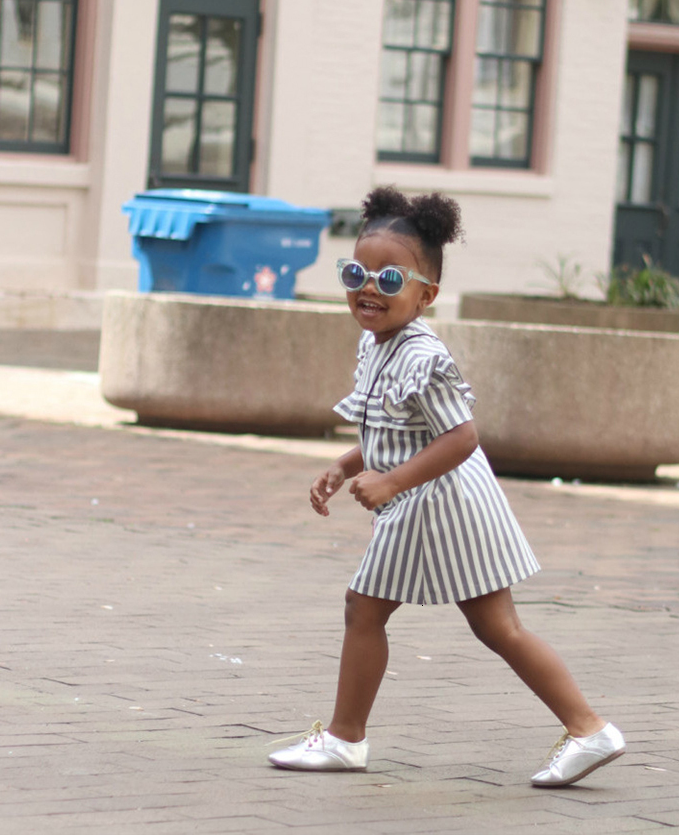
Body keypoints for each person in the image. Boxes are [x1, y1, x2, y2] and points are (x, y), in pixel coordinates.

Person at [268, 186, 625, 787]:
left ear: (426, 294)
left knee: (365, 608)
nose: (366, 289)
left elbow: (460, 437)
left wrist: (391, 483)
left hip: (438, 505)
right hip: (436, 500)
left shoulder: (423, 355)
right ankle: (589, 730)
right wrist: (350, 465)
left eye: (388, 280)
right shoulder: (378, 343)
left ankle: (345, 739)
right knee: (495, 627)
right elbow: (393, 426)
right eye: (355, 272)